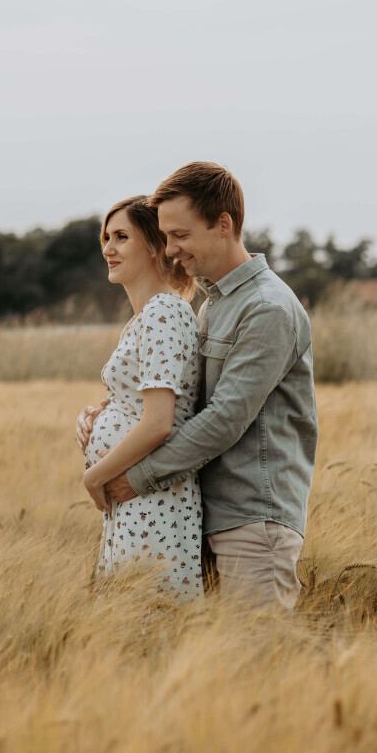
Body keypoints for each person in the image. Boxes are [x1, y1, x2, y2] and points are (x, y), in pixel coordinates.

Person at [80, 162, 317, 610]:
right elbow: (184, 398)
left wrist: (136, 478)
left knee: (258, 660)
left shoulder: (266, 308)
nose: (170, 250)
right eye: (166, 237)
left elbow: (224, 418)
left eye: (180, 236)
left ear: (223, 224)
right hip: (209, 513)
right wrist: (106, 412)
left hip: (252, 516)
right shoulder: (213, 305)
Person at [77, 195, 203, 599]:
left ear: (153, 245)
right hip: (133, 503)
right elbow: (138, 403)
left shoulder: (163, 312)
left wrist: (94, 475)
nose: (107, 249)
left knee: (149, 624)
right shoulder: (144, 317)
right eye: (105, 238)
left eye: (121, 237)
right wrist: (98, 415)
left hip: (154, 504)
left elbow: (158, 422)